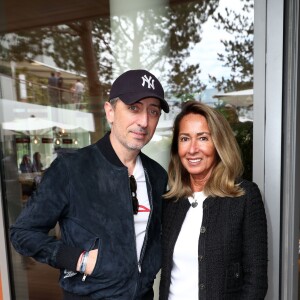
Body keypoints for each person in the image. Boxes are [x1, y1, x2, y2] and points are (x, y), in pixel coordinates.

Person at [10, 69, 170, 300]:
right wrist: (79, 260)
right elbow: (22, 233)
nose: (144, 121)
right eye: (134, 108)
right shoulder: (71, 168)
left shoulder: (157, 175)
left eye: (153, 111)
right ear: (110, 111)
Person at [159, 101, 268, 299]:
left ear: (219, 143)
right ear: (177, 147)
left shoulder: (244, 197)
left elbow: (256, 281)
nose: (192, 149)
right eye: (184, 138)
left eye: (202, 138)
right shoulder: (171, 202)